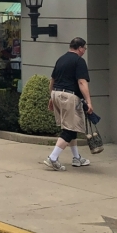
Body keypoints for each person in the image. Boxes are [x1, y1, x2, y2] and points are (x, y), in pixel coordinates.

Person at [44, 37, 94, 171]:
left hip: (56, 94)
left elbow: (52, 80)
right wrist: (89, 102)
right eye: (84, 48)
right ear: (79, 48)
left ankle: (76, 157)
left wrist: (51, 98)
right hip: (69, 96)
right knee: (70, 129)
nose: (85, 51)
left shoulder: (61, 59)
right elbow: (82, 82)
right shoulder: (79, 61)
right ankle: (53, 158)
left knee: (71, 126)